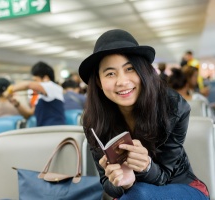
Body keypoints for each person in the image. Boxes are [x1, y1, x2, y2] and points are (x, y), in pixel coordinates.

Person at [78, 29, 209, 199]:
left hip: (180, 185)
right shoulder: (93, 120)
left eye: (130, 69)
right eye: (110, 73)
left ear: (143, 71)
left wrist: (146, 167)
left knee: (139, 194)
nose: (122, 81)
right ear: (99, 82)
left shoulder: (173, 106)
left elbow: (166, 175)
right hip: (132, 194)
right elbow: (107, 184)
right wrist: (121, 182)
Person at [8, 61, 65, 126]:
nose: (34, 83)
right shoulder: (42, 96)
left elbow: (28, 85)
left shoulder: (53, 87)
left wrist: (9, 90)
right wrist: (17, 104)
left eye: (35, 80)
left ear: (45, 78)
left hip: (56, 129)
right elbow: (29, 114)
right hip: (44, 130)